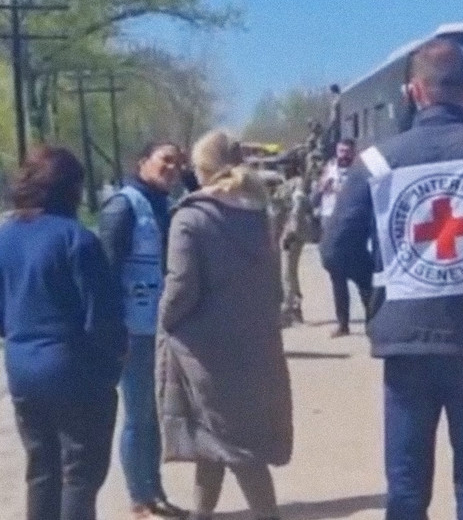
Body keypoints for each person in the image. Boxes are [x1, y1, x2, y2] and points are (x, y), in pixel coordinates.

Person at [322, 38, 463, 520]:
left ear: (415, 92)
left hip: (406, 343)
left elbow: (335, 250)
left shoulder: (377, 163)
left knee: (405, 492)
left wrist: (378, 289)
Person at [158, 130, 293, 520]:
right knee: (213, 444)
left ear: (203, 169)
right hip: (254, 345)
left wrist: (164, 320)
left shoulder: (191, 217)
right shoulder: (259, 213)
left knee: (236, 450)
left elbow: (181, 285)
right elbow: (274, 287)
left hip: (205, 351)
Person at [0, 146, 127, 520]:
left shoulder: (5, 237)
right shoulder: (78, 239)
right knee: (80, 474)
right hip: (75, 367)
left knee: (42, 469)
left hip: (23, 368)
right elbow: (102, 317)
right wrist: (115, 361)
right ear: (71, 189)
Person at [98, 142, 187, 519]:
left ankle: (155, 492)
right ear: (142, 161)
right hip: (131, 331)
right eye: (165, 159)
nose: (172, 167)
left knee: (155, 415)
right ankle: (139, 499)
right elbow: (105, 273)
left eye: (177, 162)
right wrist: (111, 331)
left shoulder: (164, 206)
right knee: (138, 415)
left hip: (160, 329)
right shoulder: (124, 206)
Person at [316, 138, 373, 337]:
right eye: (341, 151)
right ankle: (343, 323)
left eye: (347, 152)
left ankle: (371, 322)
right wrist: (323, 186)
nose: (343, 155)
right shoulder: (329, 168)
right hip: (330, 222)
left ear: (353, 152)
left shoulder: (359, 170)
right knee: (337, 279)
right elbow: (316, 193)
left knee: (364, 278)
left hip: (353, 226)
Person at [271, 156, 312, 326]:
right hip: (282, 232)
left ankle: (289, 309)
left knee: (288, 271)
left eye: (285, 166)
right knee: (287, 271)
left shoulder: (298, 183)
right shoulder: (282, 185)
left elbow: (297, 207)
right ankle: (294, 308)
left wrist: (291, 230)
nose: (282, 169)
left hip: (292, 233)